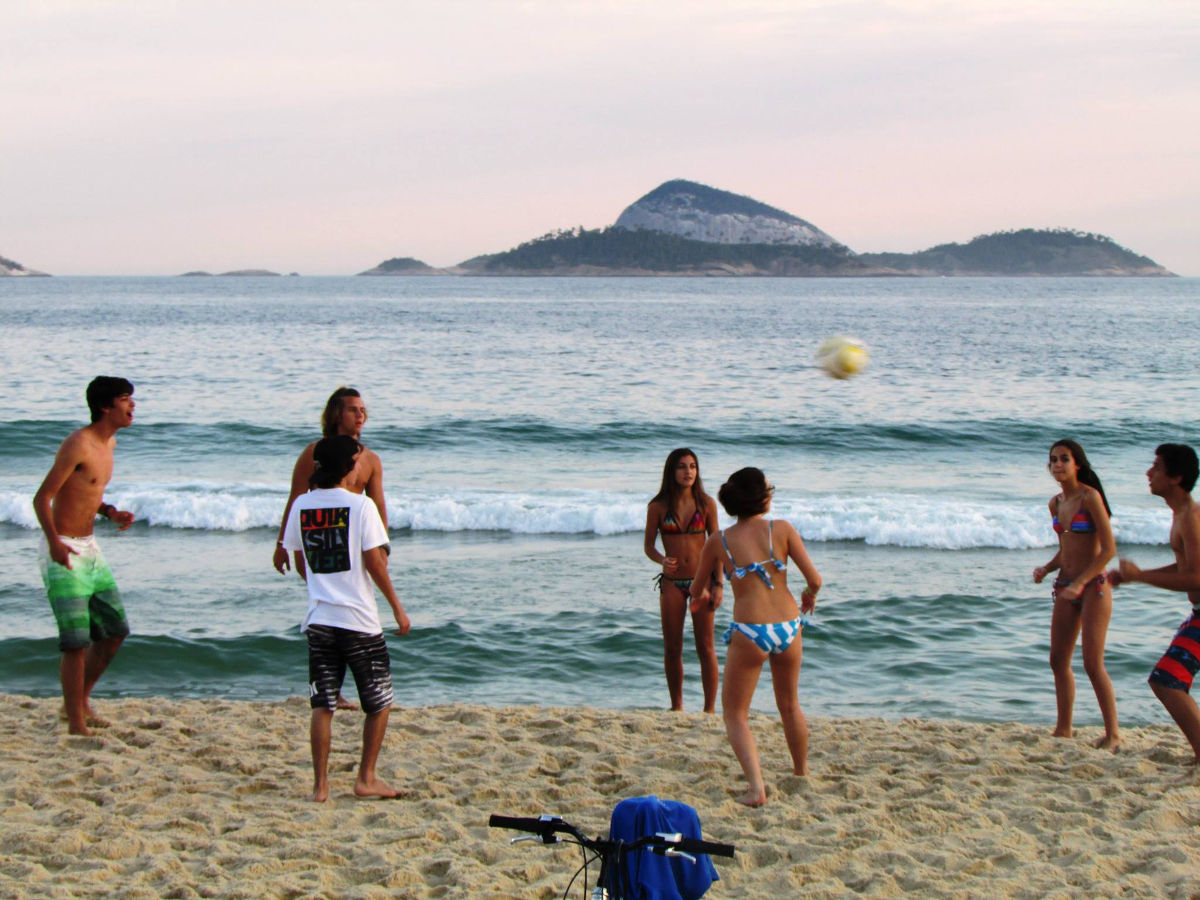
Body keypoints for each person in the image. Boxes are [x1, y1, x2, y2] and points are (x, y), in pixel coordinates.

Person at [281, 435, 412, 801]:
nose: (360, 462)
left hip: (319, 619)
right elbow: (374, 563)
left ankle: (320, 787)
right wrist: (397, 608)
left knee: (323, 705)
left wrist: (322, 590)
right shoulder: (361, 506)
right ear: (346, 466)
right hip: (358, 621)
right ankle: (365, 778)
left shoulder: (302, 507)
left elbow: (300, 562)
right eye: (356, 458)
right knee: (379, 703)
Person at [691, 467, 822, 806]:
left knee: (735, 714)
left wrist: (703, 599)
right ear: (763, 497)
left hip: (750, 630)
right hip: (789, 625)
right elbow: (815, 579)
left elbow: (697, 590)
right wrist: (809, 595)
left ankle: (756, 789)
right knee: (790, 705)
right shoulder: (782, 529)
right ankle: (801, 772)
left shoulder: (718, 541)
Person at [33, 377, 137, 736]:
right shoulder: (78, 443)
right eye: (126, 400)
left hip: (90, 548)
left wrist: (110, 512)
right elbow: (42, 498)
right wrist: (54, 543)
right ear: (106, 406)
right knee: (76, 642)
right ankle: (76, 723)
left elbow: (88, 492)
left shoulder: (110, 443)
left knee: (115, 632)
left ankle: (76, 702)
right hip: (63, 547)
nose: (133, 406)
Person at [274, 386, 386, 709]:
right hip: (317, 542)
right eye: (353, 409)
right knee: (325, 605)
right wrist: (283, 543)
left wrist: (383, 550)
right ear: (337, 414)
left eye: (363, 409)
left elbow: (378, 508)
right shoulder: (313, 453)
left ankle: (338, 684)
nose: (360, 415)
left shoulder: (370, 460)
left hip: (353, 547)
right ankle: (330, 687)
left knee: (353, 611)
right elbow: (296, 498)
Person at [1108, 443, 1200, 765]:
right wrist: (1137, 575)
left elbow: (1196, 577)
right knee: (1166, 681)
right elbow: (1184, 567)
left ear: (1175, 477)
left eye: (1156, 467)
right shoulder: (1182, 515)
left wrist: (1142, 577)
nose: (1149, 473)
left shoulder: (1191, 517)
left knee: (1168, 681)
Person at [1031, 439, 1120, 750]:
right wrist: (1046, 568)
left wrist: (1081, 583)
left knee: (1092, 663)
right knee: (1057, 660)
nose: (1057, 464)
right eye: (1053, 460)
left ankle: (1113, 734)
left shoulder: (1090, 498)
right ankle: (1064, 728)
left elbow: (1108, 550)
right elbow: (1066, 550)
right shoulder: (1055, 504)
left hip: (1093, 587)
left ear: (1077, 464)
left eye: (1064, 459)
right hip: (1065, 587)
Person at [643, 448, 721, 712]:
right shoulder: (657, 506)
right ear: (671, 471)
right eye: (682, 467)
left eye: (692, 466)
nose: (688, 472)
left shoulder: (707, 503)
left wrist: (718, 584)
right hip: (672, 584)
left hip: (702, 583)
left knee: (706, 646)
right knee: (672, 646)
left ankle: (709, 709)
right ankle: (676, 706)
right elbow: (649, 547)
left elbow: (717, 545)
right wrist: (661, 560)